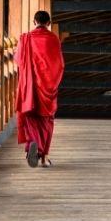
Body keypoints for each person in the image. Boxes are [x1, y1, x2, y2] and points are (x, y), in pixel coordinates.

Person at [15, 10, 64, 167]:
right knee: (47, 121)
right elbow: (60, 64)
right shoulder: (54, 39)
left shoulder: (26, 38)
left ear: (34, 22)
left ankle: (33, 143)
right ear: (49, 24)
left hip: (30, 86)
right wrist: (53, 82)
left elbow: (18, 60)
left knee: (31, 117)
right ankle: (43, 157)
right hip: (47, 86)